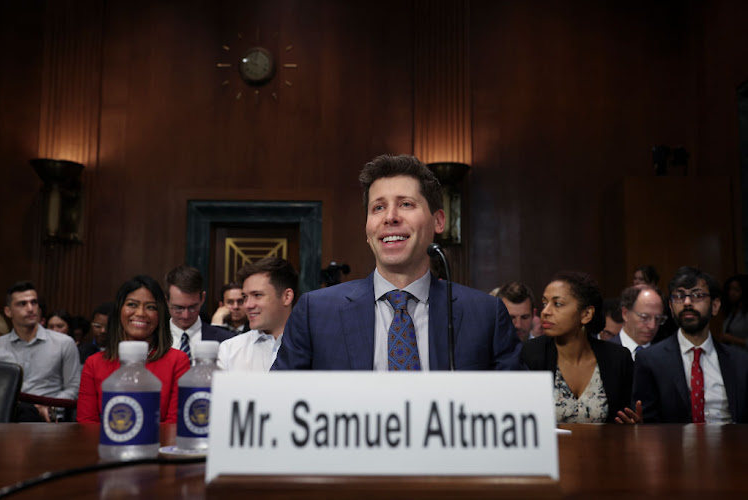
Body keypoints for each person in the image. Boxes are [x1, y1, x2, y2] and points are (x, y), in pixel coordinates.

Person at [272, 154, 521, 370]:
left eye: (405, 204)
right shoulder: (314, 312)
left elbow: (517, 410)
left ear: (438, 221)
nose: (390, 217)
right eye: (378, 208)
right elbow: (279, 405)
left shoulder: (486, 315)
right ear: (367, 229)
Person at [632, 267, 748, 423]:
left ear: (715, 305)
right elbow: (649, 421)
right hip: (674, 445)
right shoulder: (650, 360)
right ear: (671, 308)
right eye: (679, 296)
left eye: (697, 295)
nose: (687, 302)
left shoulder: (740, 361)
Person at [521, 272, 633, 423]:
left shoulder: (618, 359)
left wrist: (634, 426)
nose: (545, 312)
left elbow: (626, 420)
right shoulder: (529, 353)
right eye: (544, 303)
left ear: (586, 314)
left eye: (557, 304)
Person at [77, 275, 190, 423]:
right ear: (119, 310)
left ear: (160, 315)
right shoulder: (94, 363)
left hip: (159, 445)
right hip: (106, 445)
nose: (140, 313)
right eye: (132, 304)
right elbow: (87, 423)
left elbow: (174, 424)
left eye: (151, 307)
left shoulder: (178, 361)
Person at [0, 281, 81, 421]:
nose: (30, 309)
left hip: (48, 419)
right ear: (8, 311)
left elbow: (74, 388)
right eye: (22, 304)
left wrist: (48, 407)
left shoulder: (63, 343)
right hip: (8, 418)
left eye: (34, 302)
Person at [217, 258, 297, 371]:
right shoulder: (229, 350)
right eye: (245, 297)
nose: (247, 305)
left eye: (258, 295)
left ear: (286, 297)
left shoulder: (314, 346)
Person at [164, 265, 235, 363]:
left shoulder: (227, 342)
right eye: (179, 308)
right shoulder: (153, 340)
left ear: (202, 298)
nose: (186, 315)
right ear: (167, 301)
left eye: (192, 307)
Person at [610, 285, 665, 360]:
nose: (652, 326)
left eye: (658, 319)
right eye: (644, 317)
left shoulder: (665, 355)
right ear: (625, 314)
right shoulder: (605, 352)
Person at [719, 274, 748, 348]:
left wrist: (732, 339)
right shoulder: (731, 312)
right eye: (730, 289)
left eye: (736, 290)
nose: (732, 293)